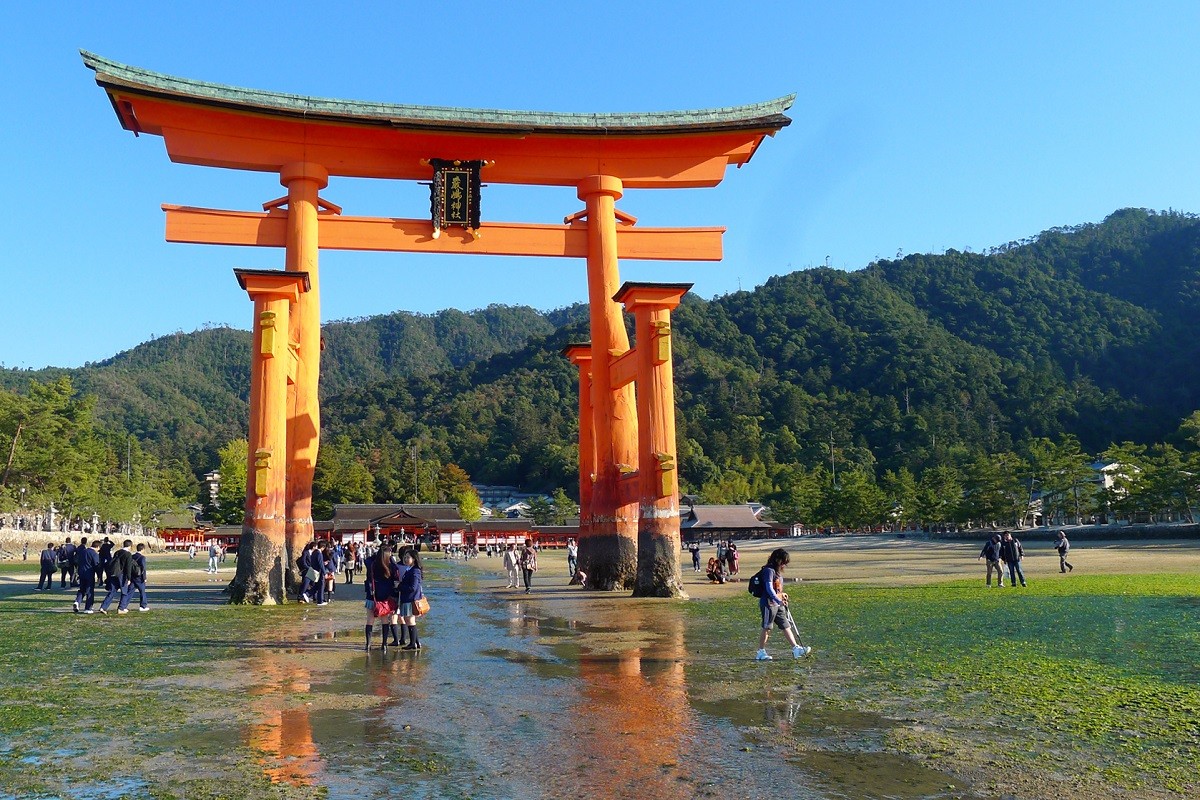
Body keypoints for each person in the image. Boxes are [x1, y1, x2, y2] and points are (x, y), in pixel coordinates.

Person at [754, 548, 811, 661]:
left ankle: (796, 649)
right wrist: (778, 599)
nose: (784, 565)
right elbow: (769, 588)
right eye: (783, 562)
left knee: (786, 625)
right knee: (767, 627)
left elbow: (777, 589)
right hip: (768, 604)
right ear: (777, 560)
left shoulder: (777, 572)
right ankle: (760, 652)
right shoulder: (769, 571)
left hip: (778, 604)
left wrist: (782, 595)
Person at [363, 544, 400, 651]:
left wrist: (376, 555)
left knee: (370, 620)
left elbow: (367, 559)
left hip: (372, 595)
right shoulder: (391, 566)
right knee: (385, 620)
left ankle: (368, 644)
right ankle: (384, 644)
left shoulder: (372, 565)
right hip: (386, 598)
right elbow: (396, 580)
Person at [397, 549, 425, 650]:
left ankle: (413, 643)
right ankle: (416, 642)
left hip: (411, 599)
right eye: (405, 557)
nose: (405, 559)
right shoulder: (410, 569)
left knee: (410, 620)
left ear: (414, 559)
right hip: (408, 598)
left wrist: (400, 586)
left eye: (408, 557)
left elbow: (413, 587)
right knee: (409, 620)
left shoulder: (415, 570)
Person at [98, 540, 134, 615]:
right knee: (124, 592)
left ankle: (103, 607)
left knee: (112, 591)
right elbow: (128, 567)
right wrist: (129, 578)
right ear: (130, 546)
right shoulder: (128, 554)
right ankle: (121, 608)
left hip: (114, 573)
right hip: (122, 575)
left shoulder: (117, 552)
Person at [74, 540, 101, 613]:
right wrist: (99, 576)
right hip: (89, 573)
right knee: (89, 591)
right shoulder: (94, 554)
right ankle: (88, 608)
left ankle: (77, 601)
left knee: (82, 589)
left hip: (81, 572)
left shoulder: (83, 551)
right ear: (97, 547)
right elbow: (96, 565)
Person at [128, 543, 150, 611]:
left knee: (129, 592)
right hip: (139, 577)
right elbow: (143, 568)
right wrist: (144, 578)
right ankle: (143, 606)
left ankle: (123, 605)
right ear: (143, 549)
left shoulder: (132, 556)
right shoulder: (142, 557)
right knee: (142, 592)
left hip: (132, 576)